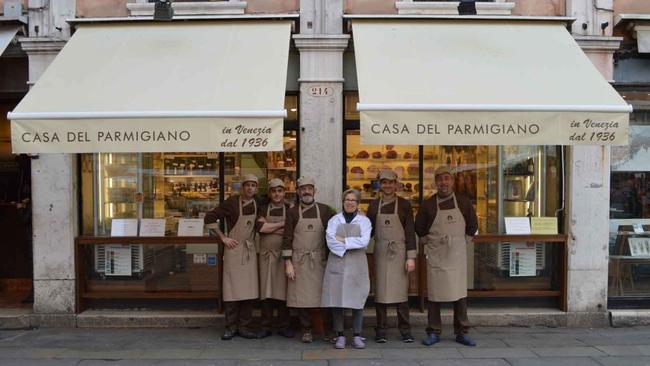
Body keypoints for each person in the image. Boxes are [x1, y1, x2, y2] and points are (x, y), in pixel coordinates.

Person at [415, 166, 478, 347]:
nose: (443, 182)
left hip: (456, 255)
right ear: (435, 182)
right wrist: (431, 243)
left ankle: (462, 331)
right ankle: (434, 331)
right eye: (440, 179)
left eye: (446, 178)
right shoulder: (428, 204)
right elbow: (419, 227)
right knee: (434, 295)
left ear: (452, 181)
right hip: (437, 255)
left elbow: (473, 225)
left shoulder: (464, 202)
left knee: (459, 294)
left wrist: (462, 241)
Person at [204, 174, 260, 340]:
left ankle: (245, 327)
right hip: (234, 250)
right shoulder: (231, 203)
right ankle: (230, 327)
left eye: (253, 185)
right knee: (231, 292)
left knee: (249, 292)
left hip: (249, 250)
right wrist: (223, 237)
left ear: (256, 188)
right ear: (242, 187)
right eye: (247, 185)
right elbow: (209, 217)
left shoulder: (258, 203)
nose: (250, 188)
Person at [282, 176, 334, 343]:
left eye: (309, 188)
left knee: (322, 296)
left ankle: (324, 329)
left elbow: (338, 227)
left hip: (319, 260)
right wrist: (288, 262)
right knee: (302, 297)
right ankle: (306, 330)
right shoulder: (291, 213)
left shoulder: (325, 210)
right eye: (303, 188)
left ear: (314, 191)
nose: (306, 191)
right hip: (300, 260)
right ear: (298, 192)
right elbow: (286, 238)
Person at [366, 170, 416, 343]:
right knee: (380, 293)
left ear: (396, 184)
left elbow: (410, 232)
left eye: (390, 182)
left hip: (400, 253)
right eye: (384, 182)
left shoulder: (404, 205)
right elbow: (368, 231)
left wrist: (411, 257)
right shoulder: (373, 206)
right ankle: (381, 330)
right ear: (380, 184)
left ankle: (405, 330)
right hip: (380, 253)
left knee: (401, 294)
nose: (387, 185)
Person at [322, 189, 372, 349]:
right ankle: (340, 335)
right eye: (347, 200)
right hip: (337, 261)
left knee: (358, 300)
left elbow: (364, 241)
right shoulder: (334, 220)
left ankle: (357, 335)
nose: (350, 202)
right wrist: (350, 242)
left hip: (357, 263)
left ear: (358, 203)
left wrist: (342, 240)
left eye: (353, 200)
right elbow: (330, 241)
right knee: (336, 299)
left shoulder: (364, 221)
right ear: (343, 202)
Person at [256, 178, 293, 339]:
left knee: (283, 291)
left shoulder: (290, 208)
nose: (277, 194)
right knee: (266, 292)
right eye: (274, 191)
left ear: (284, 192)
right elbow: (261, 228)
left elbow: (291, 231)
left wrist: (271, 228)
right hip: (265, 256)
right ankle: (266, 326)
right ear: (269, 193)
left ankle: (284, 326)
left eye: (280, 191)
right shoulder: (262, 208)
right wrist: (283, 225)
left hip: (284, 256)